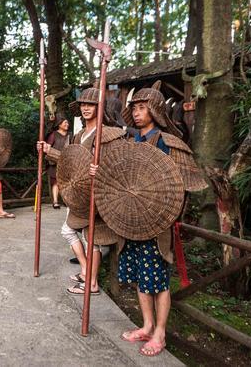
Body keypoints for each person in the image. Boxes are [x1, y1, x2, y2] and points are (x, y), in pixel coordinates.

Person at [115, 82, 203, 357]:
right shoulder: (131, 142)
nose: (138, 113)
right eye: (135, 108)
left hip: (158, 223)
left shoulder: (167, 141)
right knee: (142, 278)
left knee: (159, 280)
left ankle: (160, 333)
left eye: (143, 107)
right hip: (133, 221)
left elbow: (180, 185)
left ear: (154, 110)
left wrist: (166, 214)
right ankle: (147, 324)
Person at [38, 87, 126, 296]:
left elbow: (117, 165)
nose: (86, 108)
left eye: (91, 104)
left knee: (92, 237)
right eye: (83, 104)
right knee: (69, 231)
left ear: (99, 107)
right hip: (79, 195)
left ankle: (92, 282)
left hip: (97, 194)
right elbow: (71, 162)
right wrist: (50, 151)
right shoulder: (78, 135)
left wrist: (100, 170)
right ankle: (86, 271)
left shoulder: (107, 134)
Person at [45, 114, 70, 209]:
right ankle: (55, 201)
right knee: (55, 182)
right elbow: (48, 147)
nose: (67, 124)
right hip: (54, 161)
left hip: (66, 162)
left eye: (68, 122)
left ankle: (65, 200)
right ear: (59, 124)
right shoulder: (53, 134)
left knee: (65, 182)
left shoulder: (70, 135)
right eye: (65, 122)